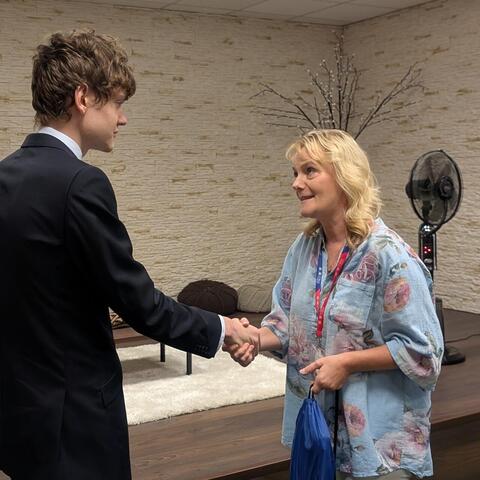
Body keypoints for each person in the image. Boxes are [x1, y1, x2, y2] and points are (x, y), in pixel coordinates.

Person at [0, 30, 256, 480]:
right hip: (75, 423)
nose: (123, 118)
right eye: (117, 103)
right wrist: (224, 328)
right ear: (83, 97)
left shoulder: (5, 175)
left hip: (19, 414)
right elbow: (139, 304)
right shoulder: (81, 183)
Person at [224, 129, 443, 479]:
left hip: (381, 448)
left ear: (344, 176)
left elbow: (424, 354)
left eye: (309, 171)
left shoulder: (390, 255)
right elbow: (285, 326)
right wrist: (253, 339)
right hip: (320, 438)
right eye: (295, 173)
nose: (296, 183)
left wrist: (348, 363)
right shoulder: (303, 248)